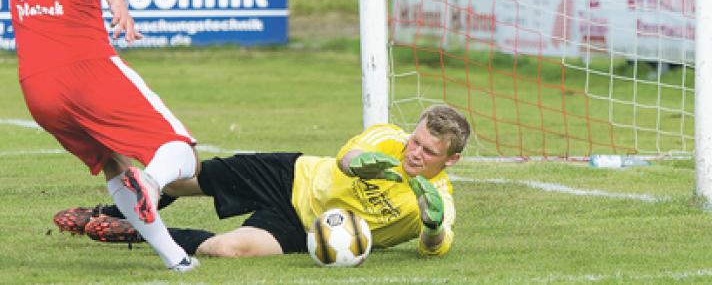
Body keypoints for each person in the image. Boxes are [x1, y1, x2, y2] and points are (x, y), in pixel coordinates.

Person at [0, 0, 200, 272]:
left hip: (36, 87)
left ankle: (177, 260)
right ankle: (153, 181)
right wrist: (119, 5)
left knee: (113, 163)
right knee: (178, 150)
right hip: (85, 67)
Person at [56, 105, 471, 259]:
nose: (414, 153)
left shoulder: (436, 201)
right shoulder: (388, 139)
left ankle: (135, 231)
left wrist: (433, 228)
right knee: (186, 181)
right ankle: (106, 210)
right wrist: (362, 163)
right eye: (415, 141)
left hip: (303, 229)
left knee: (227, 249)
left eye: (428, 152)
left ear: (451, 159)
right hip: (291, 174)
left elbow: (434, 246)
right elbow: (348, 157)